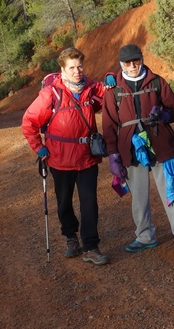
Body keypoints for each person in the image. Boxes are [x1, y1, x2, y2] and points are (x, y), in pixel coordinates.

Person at [101, 43, 174, 259]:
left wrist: (164, 116)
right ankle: (145, 236)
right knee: (138, 194)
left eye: (136, 60)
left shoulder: (156, 81)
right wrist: (113, 154)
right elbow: (108, 125)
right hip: (130, 147)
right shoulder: (113, 90)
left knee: (172, 188)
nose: (133, 65)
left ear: (142, 59)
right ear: (121, 64)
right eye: (128, 62)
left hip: (160, 142)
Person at [22, 47, 109, 265]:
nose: (77, 71)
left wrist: (112, 78)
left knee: (90, 203)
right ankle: (71, 237)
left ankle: (91, 246)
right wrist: (38, 147)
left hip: (87, 157)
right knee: (64, 203)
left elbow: (109, 89)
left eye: (80, 66)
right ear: (63, 69)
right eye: (72, 67)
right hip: (60, 159)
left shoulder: (91, 87)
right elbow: (29, 122)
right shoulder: (51, 94)